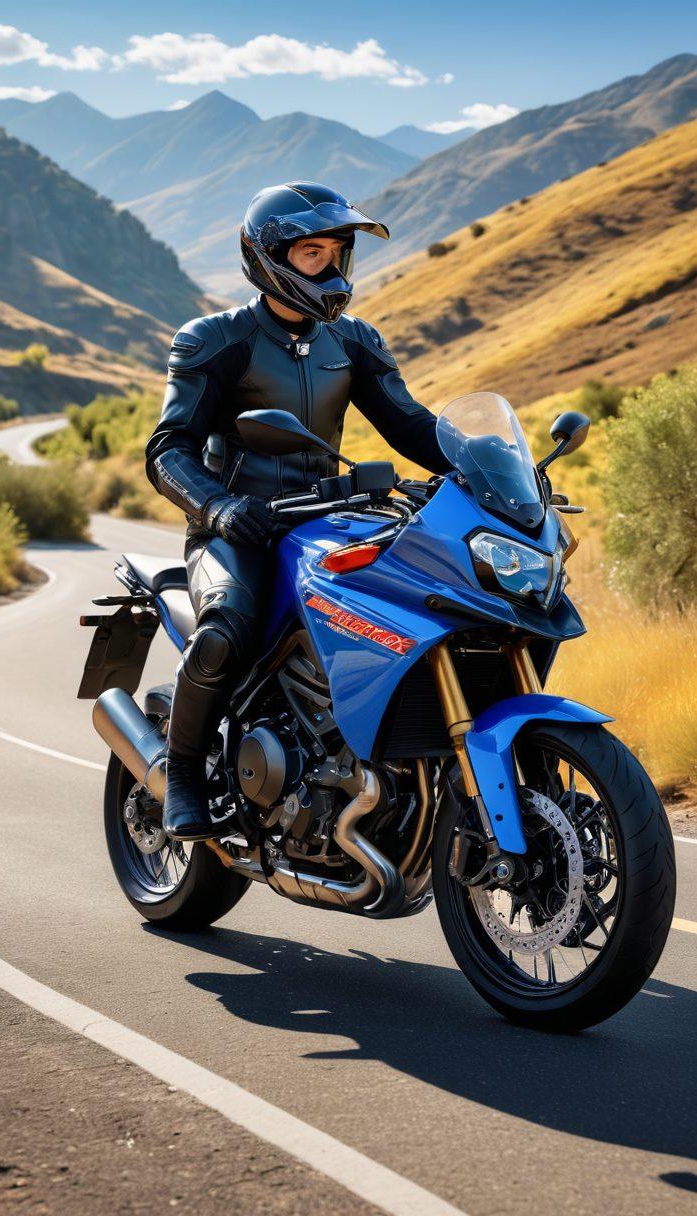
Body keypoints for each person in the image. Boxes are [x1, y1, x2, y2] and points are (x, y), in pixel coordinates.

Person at [145, 180, 452, 841]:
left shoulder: (356, 341)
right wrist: (221, 509)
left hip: (326, 525)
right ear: (268, 257)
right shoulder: (216, 339)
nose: (332, 268)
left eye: (338, 253)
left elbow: (413, 428)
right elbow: (168, 451)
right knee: (224, 631)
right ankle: (184, 772)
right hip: (239, 533)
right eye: (313, 253)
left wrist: (489, 471)